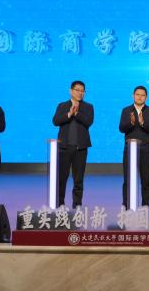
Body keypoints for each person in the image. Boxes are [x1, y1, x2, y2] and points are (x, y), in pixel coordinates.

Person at [52, 80, 94, 208]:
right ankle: (60, 204)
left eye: (82, 91)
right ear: (71, 91)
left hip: (80, 149)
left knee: (78, 179)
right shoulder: (62, 106)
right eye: (77, 90)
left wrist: (76, 113)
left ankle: (77, 205)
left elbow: (88, 122)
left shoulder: (88, 107)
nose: (80, 93)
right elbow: (55, 121)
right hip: (64, 148)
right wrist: (69, 114)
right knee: (61, 178)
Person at [119, 85, 149, 208]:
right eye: (137, 95)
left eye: (142, 95)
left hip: (146, 149)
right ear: (133, 96)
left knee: (146, 179)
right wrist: (131, 123)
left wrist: (142, 123)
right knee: (128, 179)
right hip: (130, 149)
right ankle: (127, 204)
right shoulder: (126, 110)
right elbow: (121, 128)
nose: (140, 97)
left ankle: (146, 204)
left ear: (146, 97)